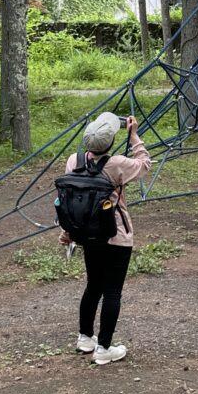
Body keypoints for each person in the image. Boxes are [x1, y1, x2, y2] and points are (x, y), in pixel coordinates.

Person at [59, 112, 151, 364]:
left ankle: (85, 338)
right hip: (116, 235)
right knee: (112, 292)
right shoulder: (117, 164)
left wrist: (67, 232)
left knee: (93, 286)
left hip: (87, 235)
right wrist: (134, 136)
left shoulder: (74, 160)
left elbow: (69, 200)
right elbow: (145, 163)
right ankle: (104, 348)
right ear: (110, 142)